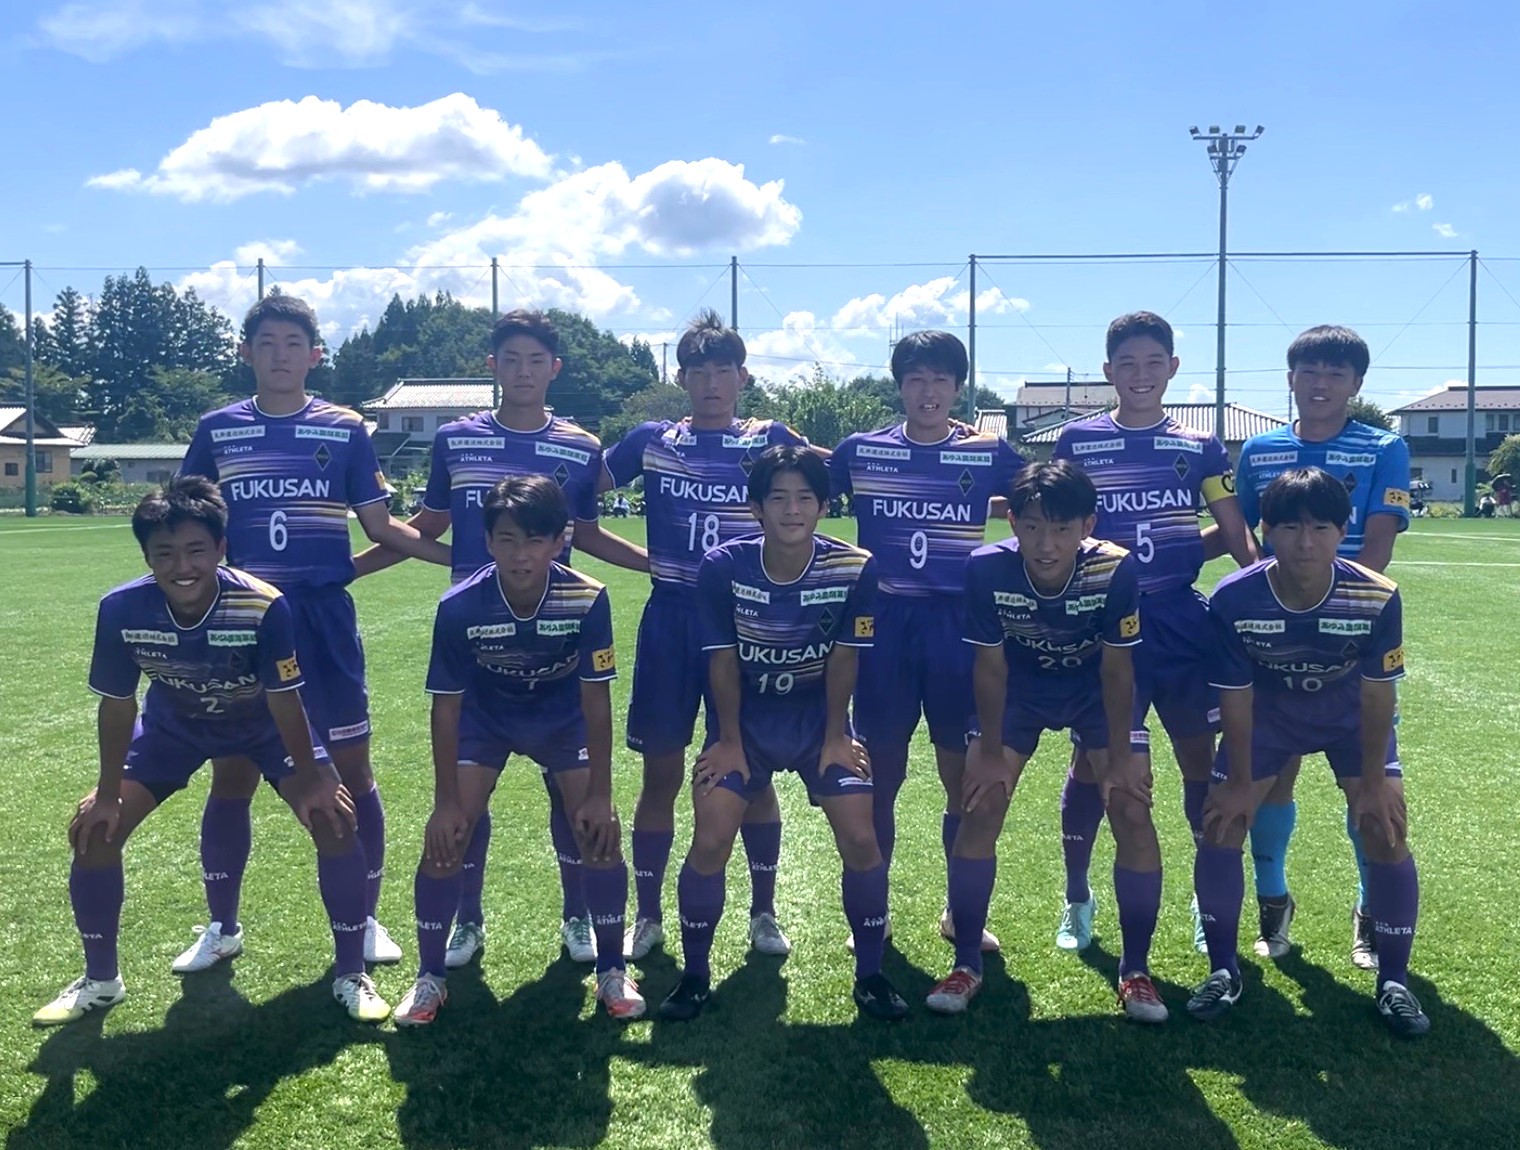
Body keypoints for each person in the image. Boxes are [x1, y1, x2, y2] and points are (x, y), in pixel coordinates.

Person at [353, 308, 649, 972]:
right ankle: (467, 920)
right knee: (466, 799)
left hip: (554, 642)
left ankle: (577, 915)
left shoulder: (580, 445)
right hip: (477, 639)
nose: (523, 372)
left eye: (535, 360)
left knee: (570, 793)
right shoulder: (456, 439)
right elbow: (427, 526)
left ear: (554, 369)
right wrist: (354, 567)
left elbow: (586, 535)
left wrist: (659, 564)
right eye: (510, 359)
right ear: (493, 366)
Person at [34, 478, 390, 1026]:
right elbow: (118, 705)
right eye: (164, 553)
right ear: (146, 556)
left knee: (333, 819)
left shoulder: (263, 604)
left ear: (221, 548)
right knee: (95, 831)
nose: (182, 566)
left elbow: (285, 698)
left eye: (196, 550)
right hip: (175, 728)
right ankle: (101, 981)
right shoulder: (122, 608)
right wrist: (106, 795)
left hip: (262, 727)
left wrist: (315, 777)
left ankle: (350, 972)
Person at [178, 293, 450, 974]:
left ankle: (366, 919)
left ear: (315, 355)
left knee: (352, 771)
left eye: (293, 344)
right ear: (246, 352)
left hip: (322, 622)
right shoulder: (217, 429)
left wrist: (462, 559)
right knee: (233, 772)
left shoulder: (345, 428)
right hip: (241, 623)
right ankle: (221, 925)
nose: (280, 356)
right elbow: (185, 528)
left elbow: (383, 528)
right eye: (267, 343)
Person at [658, 446, 908, 1023]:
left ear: (824, 506)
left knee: (861, 836)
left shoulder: (855, 567)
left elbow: (845, 657)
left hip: (816, 721)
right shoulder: (723, 566)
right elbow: (721, 660)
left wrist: (836, 735)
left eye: (804, 498)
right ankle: (694, 976)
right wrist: (727, 739)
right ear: (756, 508)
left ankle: (871, 975)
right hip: (744, 722)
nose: (792, 510)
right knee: (712, 837)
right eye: (778, 498)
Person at [392, 476, 641, 1025]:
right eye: (506, 539)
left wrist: (601, 794)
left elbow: (596, 702)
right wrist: (444, 802)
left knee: (597, 832)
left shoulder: (587, 598)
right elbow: (446, 709)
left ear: (559, 541)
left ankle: (611, 969)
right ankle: (430, 977)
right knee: (447, 838)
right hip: (487, 719)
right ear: (487, 541)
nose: (520, 554)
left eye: (533, 540)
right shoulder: (460, 605)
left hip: (561, 717)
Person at [1190, 467, 1427, 1038]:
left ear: (1342, 531)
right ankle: (1223, 970)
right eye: (1291, 528)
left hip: (1348, 714)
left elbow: (1378, 694)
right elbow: (1236, 695)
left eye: (1321, 528)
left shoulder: (1377, 594)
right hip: (1270, 714)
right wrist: (1239, 780)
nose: (1305, 542)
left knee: (1385, 824)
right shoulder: (1234, 597)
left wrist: (1374, 783)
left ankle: (1394, 982)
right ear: (1267, 531)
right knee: (1221, 823)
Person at [603, 310, 806, 963]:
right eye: (699, 371)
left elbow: (830, 474)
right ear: (681, 378)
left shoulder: (769, 438)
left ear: (743, 377)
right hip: (672, 619)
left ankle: (764, 912)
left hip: (749, 623)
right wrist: (644, 561)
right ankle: (647, 915)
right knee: (660, 773)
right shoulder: (652, 440)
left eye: (724, 370)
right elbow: (574, 494)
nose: (712, 383)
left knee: (752, 771)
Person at [1052, 311, 1256, 954]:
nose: (1140, 375)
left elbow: (1233, 529)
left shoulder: (1200, 446)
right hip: (1104, 621)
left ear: (1172, 367)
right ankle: (1077, 896)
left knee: (1199, 756)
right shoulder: (1077, 441)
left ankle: (1204, 893)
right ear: (1108, 371)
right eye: (1127, 365)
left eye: (1152, 363)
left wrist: (1263, 583)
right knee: (1094, 761)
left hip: (1179, 621)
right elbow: (1056, 521)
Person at [930, 461, 1162, 1019]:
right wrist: (989, 752)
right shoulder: (987, 568)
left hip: (1093, 688)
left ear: (1087, 525)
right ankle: (966, 963)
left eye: (1061, 528)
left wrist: (1122, 756)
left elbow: (1118, 670)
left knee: (1130, 807)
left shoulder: (1115, 568)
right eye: (1032, 526)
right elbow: (989, 666)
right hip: (1021, 688)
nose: (1046, 543)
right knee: (981, 802)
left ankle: (1135, 971)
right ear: (1012, 522)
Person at [1217, 325, 1410, 969]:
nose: (1321, 383)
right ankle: (1273, 904)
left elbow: (1377, 546)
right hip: (1270, 639)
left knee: (1369, 790)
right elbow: (1247, 534)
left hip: (1348, 634)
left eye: (1336, 373)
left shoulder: (1385, 447)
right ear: (1290, 379)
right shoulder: (1260, 450)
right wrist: (1265, 598)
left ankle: (1369, 913)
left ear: (1356, 384)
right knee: (1273, 780)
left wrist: (1331, 607)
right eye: (1310, 371)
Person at [828, 330, 1024, 952]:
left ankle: (959, 909)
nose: (928, 391)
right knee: (879, 771)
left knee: (960, 774)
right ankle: (875, 910)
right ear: (900, 386)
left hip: (956, 625)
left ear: (959, 388)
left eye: (940, 379)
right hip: (883, 626)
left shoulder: (988, 451)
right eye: (916, 379)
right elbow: (796, 486)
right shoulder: (861, 450)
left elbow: (1045, 494)